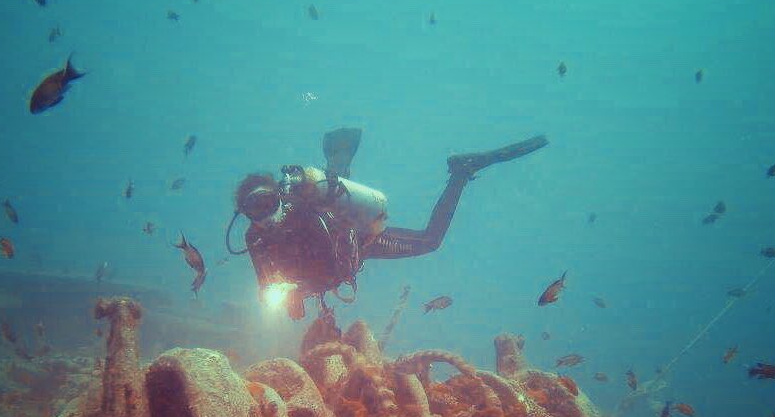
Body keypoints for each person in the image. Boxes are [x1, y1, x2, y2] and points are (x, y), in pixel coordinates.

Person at [225, 128, 548, 318]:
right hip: (333, 259)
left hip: (360, 242)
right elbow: (268, 288)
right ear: (245, 214)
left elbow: (329, 267)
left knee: (430, 241)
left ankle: (461, 173)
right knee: (334, 196)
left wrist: (301, 290)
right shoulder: (256, 240)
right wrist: (290, 296)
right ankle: (338, 161)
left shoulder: (303, 214)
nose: (265, 214)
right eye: (255, 209)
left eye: (267, 202)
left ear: (279, 197)